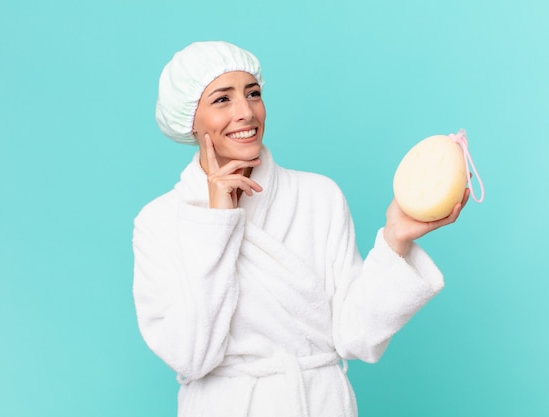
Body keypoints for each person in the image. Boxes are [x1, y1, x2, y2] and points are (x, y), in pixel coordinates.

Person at [132, 41, 469, 417]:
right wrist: (216, 223)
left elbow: (357, 336)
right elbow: (191, 356)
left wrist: (396, 239)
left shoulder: (318, 196)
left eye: (253, 94)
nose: (245, 112)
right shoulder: (159, 221)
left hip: (317, 402)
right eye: (222, 100)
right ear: (188, 120)